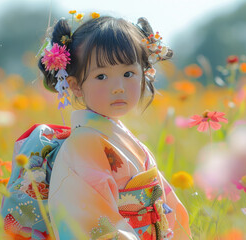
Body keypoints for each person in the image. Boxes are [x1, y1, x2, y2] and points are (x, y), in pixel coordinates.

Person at [37, 15, 191, 240]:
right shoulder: (84, 144)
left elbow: (166, 204)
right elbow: (91, 219)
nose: (118, 87)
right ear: (75, 85)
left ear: (143, 73)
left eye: (128, 74)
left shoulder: (111, 136)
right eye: (101, 76)